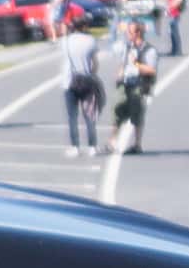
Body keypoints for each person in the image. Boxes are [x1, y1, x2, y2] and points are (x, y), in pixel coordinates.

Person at [58, 9, 104, 157]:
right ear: (84, 27)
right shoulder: (91, 41)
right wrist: (92, 75)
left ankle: (75, 146)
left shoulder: (65, 42)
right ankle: (92, 146)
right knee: (89, 115)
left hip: (69, 81)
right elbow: (95, 64)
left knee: (72, 116)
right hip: (87, 80)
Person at [110, 21, 157, 155]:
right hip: (125, 83)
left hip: (139, 84)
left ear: (138, 33)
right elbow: (123, 62)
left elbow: (151, 70)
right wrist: (119, 74)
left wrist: (136, 63)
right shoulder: (127, 47)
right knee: (117, 110)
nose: (127, 35)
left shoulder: (149, 50)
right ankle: (112, 142)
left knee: (136, 115)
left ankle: (137, 145)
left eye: (129, 32)